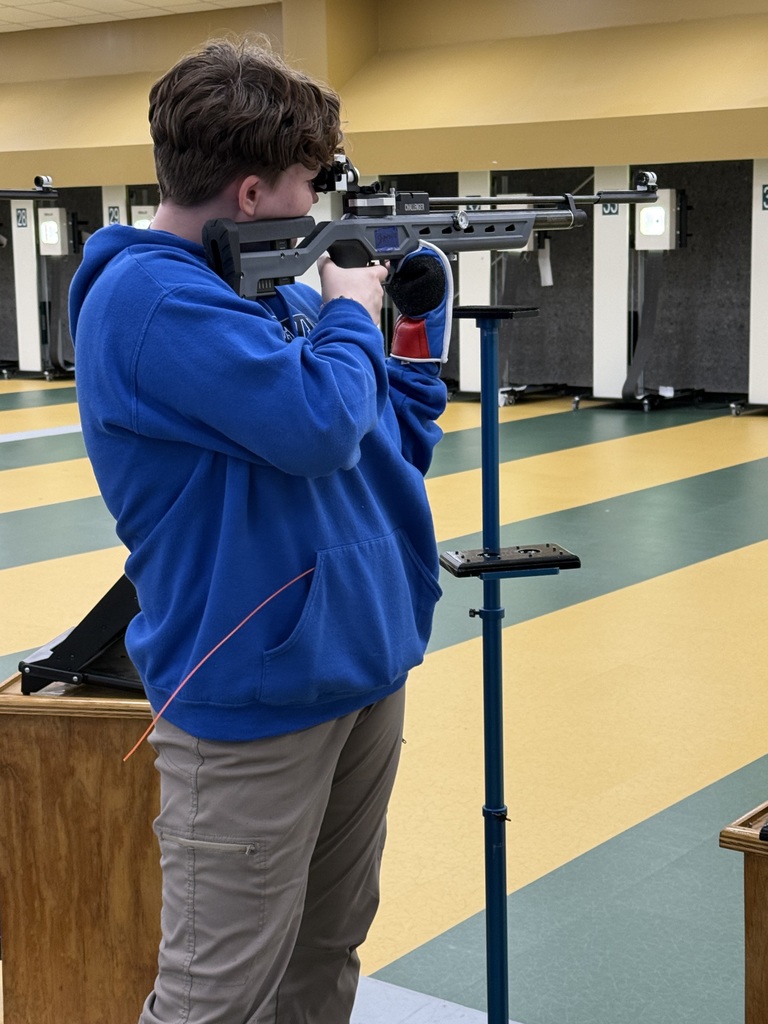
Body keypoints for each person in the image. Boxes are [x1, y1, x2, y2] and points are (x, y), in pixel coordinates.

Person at [70, 35, 452, 1024]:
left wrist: (411, 336)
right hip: (253, 699)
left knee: (323, 963)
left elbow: (385, 450)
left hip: (359, 666)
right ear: (249, 196)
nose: (315, 210)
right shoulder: (147, 304)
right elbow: (317, 424)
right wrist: (355, 312)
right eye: (303, 186)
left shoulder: (277, 289)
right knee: (214, 1001)